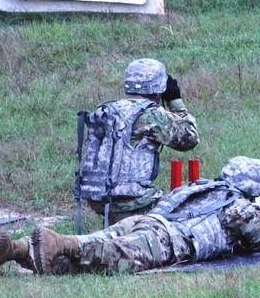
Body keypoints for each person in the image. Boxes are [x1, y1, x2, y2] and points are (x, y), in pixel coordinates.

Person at [0, 156, 260, 277]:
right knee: (110, 256)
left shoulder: (201, 186)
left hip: (144, 221)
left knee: (90, 248)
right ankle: (58, 241)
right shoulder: (239, 206)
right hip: (165, 239)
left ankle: (14, 249)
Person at [76, 58, 199, 225]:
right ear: (159, 88)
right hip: (132, 199)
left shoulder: (106, 109)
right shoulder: (151, 114)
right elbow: (189, 139)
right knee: (186, 215)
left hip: (97, 197)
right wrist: (174, 99)